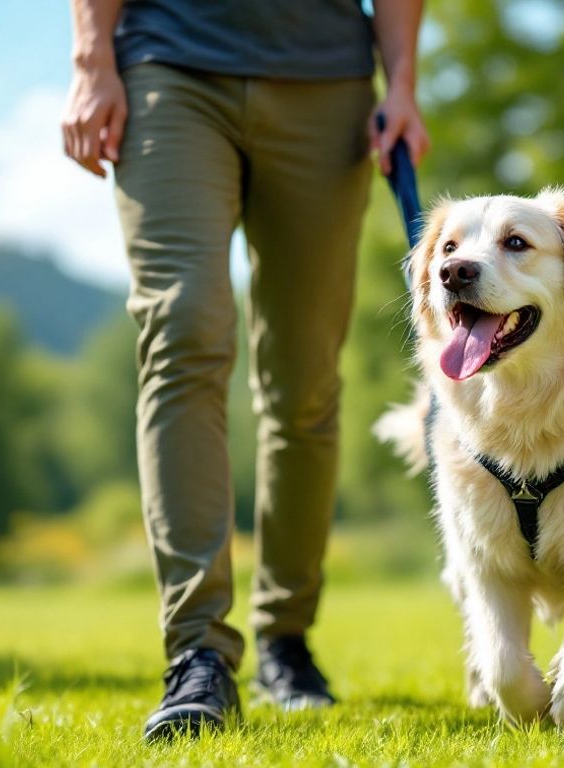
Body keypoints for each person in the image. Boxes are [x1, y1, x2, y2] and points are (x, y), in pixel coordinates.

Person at [61, 0, 428, 740]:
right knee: (184, 329)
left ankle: (285, 642)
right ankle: (196, 651)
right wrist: (91, 59)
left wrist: (403, 83)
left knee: (304, 381)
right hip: (169, 67)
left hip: (326, 84)